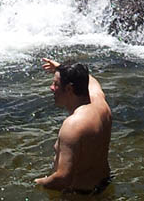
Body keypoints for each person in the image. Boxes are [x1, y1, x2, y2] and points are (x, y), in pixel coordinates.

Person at [34, 57, 113, 194]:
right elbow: (90, 80)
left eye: (55, 84)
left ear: (69, 88)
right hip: (104, 184)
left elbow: (63, 178)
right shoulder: (100, 103)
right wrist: (61, 69)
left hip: (80, 195)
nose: (51, 88)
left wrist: (35, 183)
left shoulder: (73, 125)